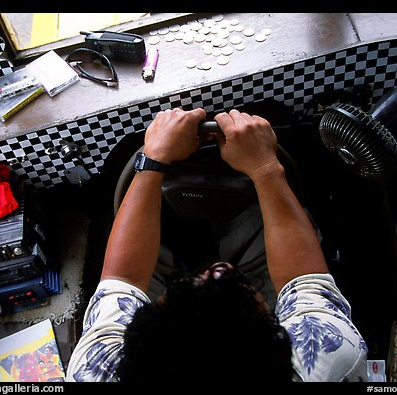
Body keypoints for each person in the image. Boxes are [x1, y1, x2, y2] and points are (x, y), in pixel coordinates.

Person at [65, 107, 368, 382]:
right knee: (258, 226)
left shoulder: (97, 370)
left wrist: (154, 156)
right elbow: (302, 281)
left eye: (193, 283)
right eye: (249, 300)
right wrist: (264, 168)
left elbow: (124, 279)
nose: (219, 271)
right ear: (284, 350)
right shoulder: (329, 357)